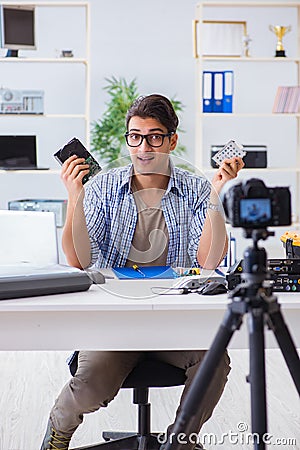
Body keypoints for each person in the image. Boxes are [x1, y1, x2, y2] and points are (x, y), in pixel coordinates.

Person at [41, 94, 244, 450]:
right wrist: (75, 197)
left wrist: (216, 194)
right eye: (134, 136)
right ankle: (58, 428)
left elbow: (208, 260)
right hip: (114, 320)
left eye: (154, 136)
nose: (143, 147)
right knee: (92, 385)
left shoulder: (196, 188)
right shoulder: (104, 187)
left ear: (172, 141)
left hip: (174, 321)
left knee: (215, 362)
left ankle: (180, 440)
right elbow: (77, 260)